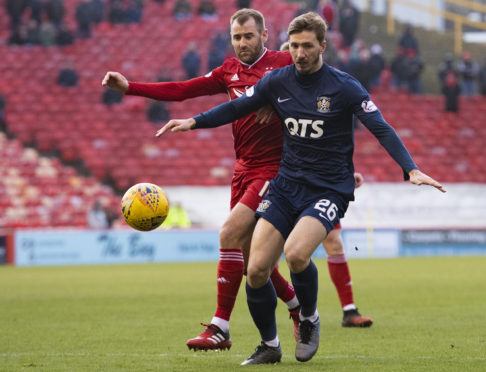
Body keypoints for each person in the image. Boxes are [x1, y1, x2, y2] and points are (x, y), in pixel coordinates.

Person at [157, 12, 445, 365]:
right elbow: (238, 106)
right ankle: (270, 345)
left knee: (295, 254)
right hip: (286, 185)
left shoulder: (344, 86)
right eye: (294, 46)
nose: (299, 53)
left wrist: (411, 169)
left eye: (307, 46)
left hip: (327, 188)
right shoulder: (277, 82)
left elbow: (380, 127)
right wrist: (194, 121)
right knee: (257, 269)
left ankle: (308, 318)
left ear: (322, 46)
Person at [102, 7, 371, 353]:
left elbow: (316, 93)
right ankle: (296, 308)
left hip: (276, 171)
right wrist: (130, 88)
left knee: (229, 234)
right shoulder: (228, 71)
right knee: (248, 258)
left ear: (264, 36)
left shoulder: (286, 61)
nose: (242, 43)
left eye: (248, 36)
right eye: (236, 37)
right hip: (242, 169)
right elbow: (184, 89)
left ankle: (220, 327)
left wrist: (277, 105)